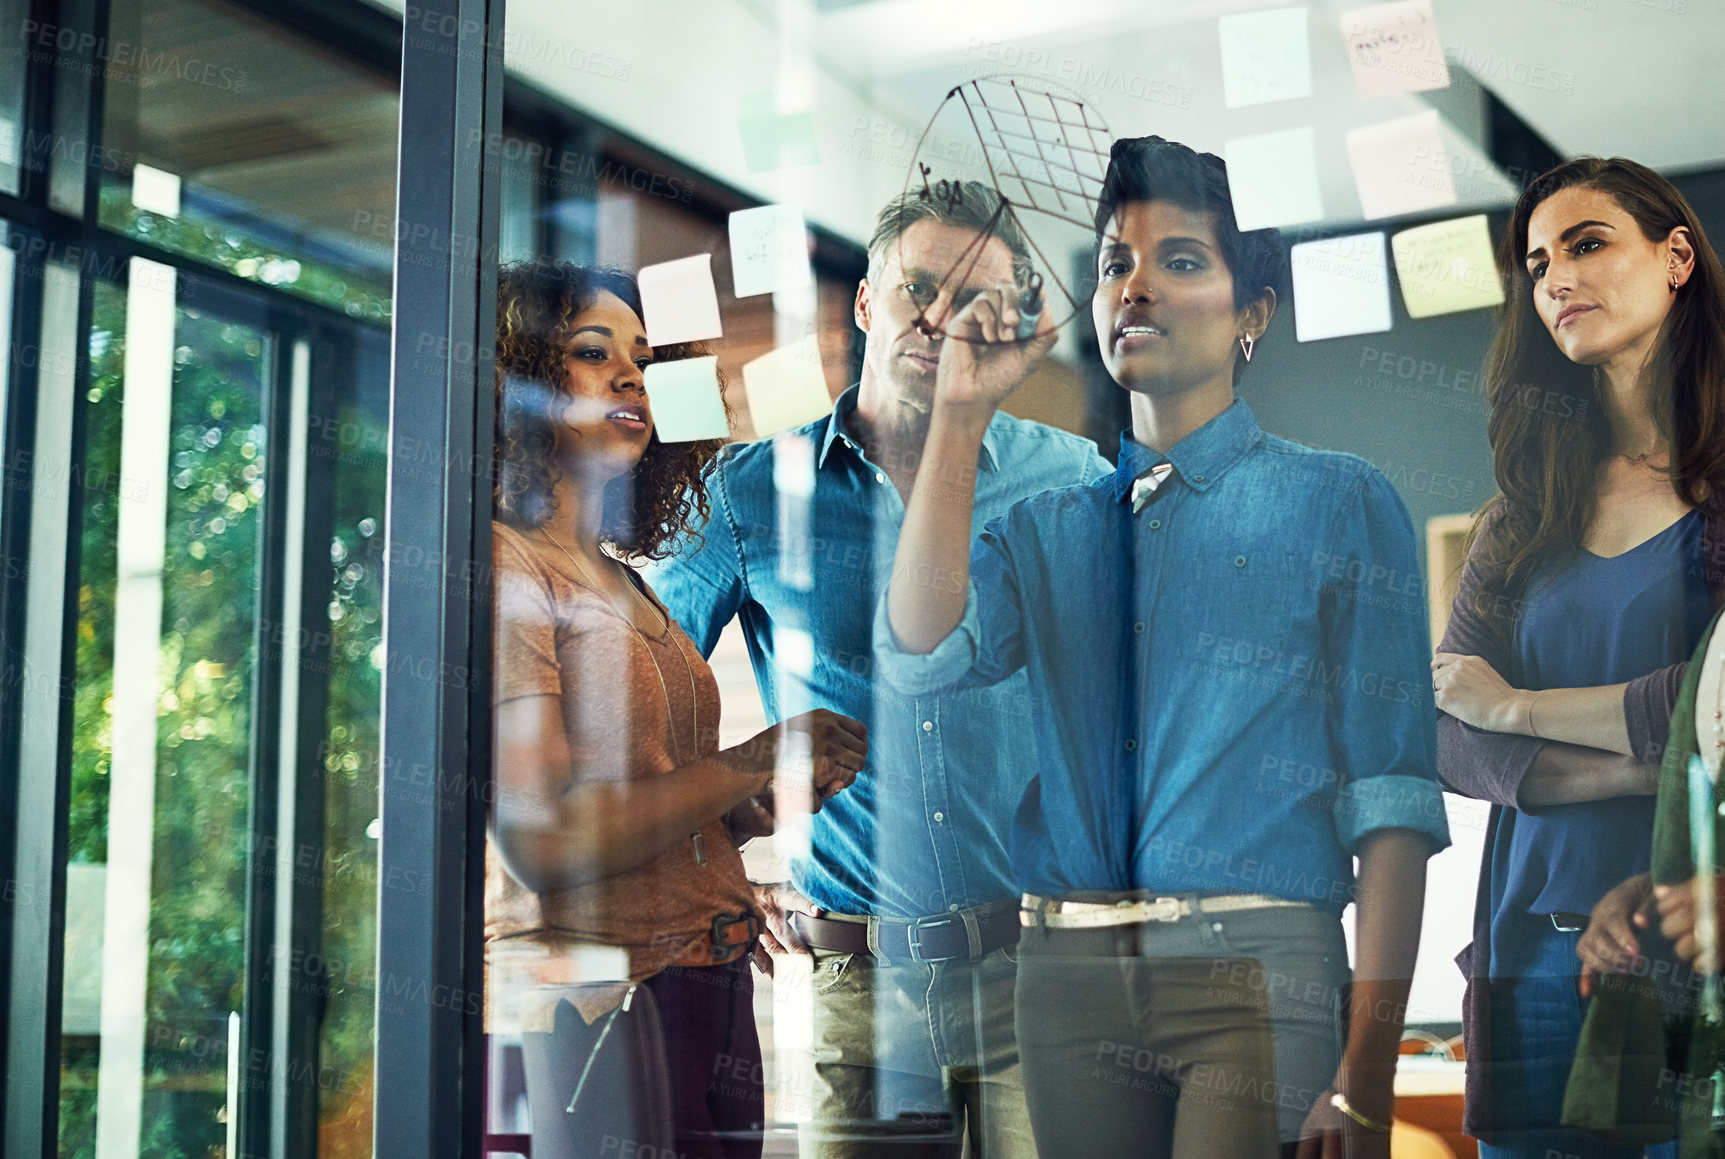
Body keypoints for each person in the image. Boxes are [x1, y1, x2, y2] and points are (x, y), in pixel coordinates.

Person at [877, 134, 1448, 1158]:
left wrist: (1367, 1076)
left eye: (1180, 260)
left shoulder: (1340, 500)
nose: (1135, 285)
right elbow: (920, 652)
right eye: (1113, 264)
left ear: (1253, 316)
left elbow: (1393, 807)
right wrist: (961, 415)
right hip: (1063, 979)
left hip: (1259, 968)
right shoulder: (1042, 529)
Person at [646, 184, 1109, 1158]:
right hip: (849, 985)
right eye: (919, 288)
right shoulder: (751, 494)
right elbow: (638, 701)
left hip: (1034, 975)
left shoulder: (1072, 481)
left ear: (1016, 321)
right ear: (865, 303)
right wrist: (707, 867)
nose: (941, 318)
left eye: (977, 300)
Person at [484, 261, 868, 1159]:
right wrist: (746, 761)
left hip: (704, 980)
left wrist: (745, 811)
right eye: (590, 353)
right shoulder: (508, 570)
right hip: (589, 1003)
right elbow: (546, 842)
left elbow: (643, 800)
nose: (630, 376)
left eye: (645, 359)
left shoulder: (619, 577)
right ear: (517, 384)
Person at [1433, 156, 1725, 1158]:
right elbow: (1444, 735)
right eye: (1538, 262)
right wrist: (1643, 765)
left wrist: (1517, 707)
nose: (1557, 276)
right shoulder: (1523, 514)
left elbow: (1707, 699)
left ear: (1676, 255)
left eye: (1588, 243)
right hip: (1524, 958)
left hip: (1688, 950)